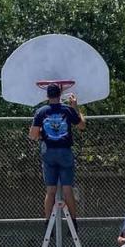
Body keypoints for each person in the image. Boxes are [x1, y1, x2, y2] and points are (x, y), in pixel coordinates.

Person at [28, 85, 84, 220]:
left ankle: (48, 221)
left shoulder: (41, 111)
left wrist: (42, 133)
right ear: (60, 95)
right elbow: (82, 126)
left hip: (49, 152)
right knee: (67, 190)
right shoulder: (68, 110)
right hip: (65, 151)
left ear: (47, 96)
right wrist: (76, 107)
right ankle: (73, 220)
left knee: (50, 191)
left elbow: (33, 135)